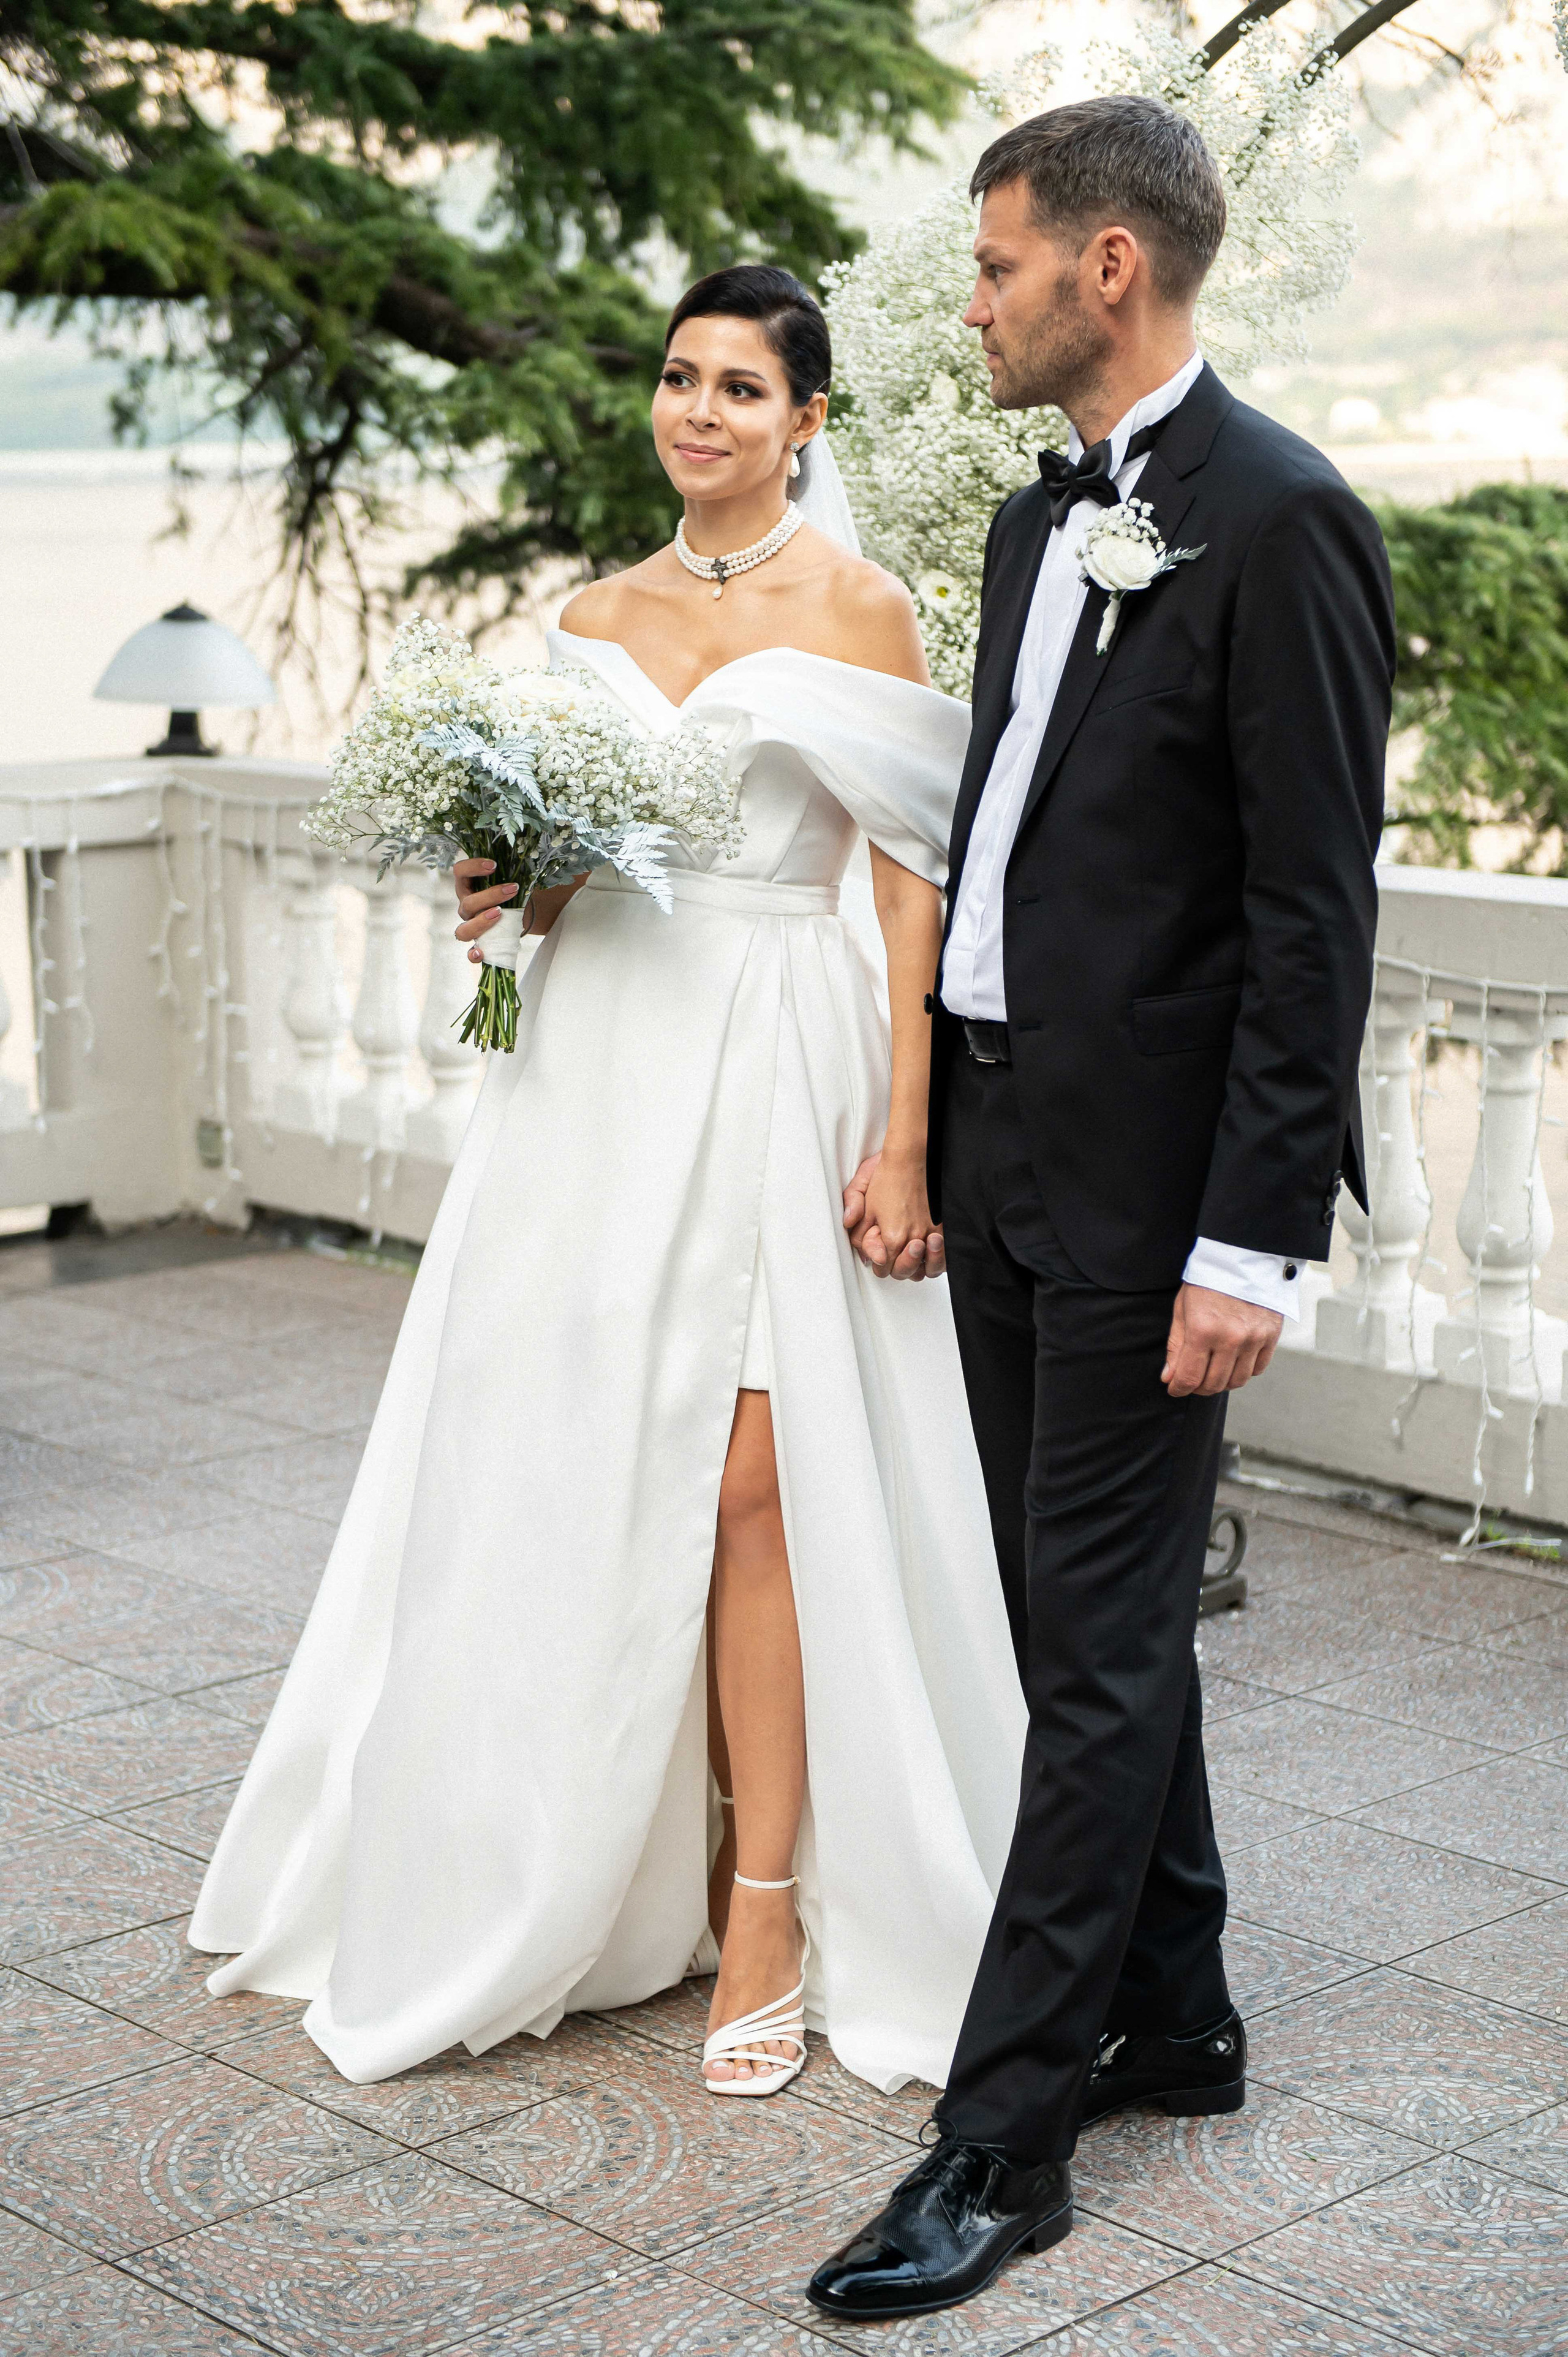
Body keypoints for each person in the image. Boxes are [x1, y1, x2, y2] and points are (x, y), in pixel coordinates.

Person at [189, 264, 1027, 2100]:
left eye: (742, 386)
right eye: (678, 378)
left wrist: (906, 1135)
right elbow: (565, 876)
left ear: (811, 420)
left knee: (754, 1483)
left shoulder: (864, 609)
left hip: (778, 1055)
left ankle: (774, 1904)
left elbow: (907, 884)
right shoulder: (587, 615)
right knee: (580, 1459)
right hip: (597, 1075)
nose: (700, 411)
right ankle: (560, 1863)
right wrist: (506, 893)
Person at [810, 96, 1394, 2319]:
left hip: (1165, 1206)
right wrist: (934, 1137)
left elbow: (1305, 921)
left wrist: (1255, 1243)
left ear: (1108, 272)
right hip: (1006, 1156)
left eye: (993, 268)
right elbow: (1017, 838)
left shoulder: (1285, 522)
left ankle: (1009, 2134)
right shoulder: (1038, 522)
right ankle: (1185, 2011)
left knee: (1099, 1644)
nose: (972, 305)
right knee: (1080, 1630)